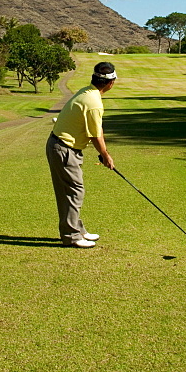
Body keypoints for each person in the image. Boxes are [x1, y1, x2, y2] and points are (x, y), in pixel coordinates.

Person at [46, 61, 117, 248]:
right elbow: (95, 135)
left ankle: (77, 230)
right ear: (111, 83)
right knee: (74, 191)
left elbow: (96, 129)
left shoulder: (87, 92)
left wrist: (104, 154)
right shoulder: (93, 102)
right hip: (64, 148)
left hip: (61, 146)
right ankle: (71, 236)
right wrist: (105, 155)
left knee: (70, 191)